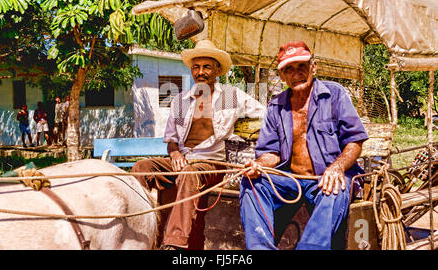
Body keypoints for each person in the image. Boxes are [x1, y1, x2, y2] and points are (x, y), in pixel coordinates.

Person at [132, 39, 266, 250]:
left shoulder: (230, 97)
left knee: (189, 174)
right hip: (184, 162)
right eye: (196, 67)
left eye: (207, 67)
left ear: (218, 70)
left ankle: (173, 244)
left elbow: (267, 116)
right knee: (142, 168)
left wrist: (250, 142)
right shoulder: (181, 100)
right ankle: (138, 229)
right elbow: (171, 140)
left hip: (214, 164)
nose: (200, 72)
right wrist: (175, 154)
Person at [239, 41, 369, 250]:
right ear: (281, 75)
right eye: (288, 69)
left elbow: (355, 141)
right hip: (292, 180)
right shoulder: (276, 106)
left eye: (301, 66)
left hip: (327, 177)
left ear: (313, 67)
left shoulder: (335, 94)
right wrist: (258, 166)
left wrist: (336, 167)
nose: (296, 73)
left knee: (335, 187)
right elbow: (270, 153)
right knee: (251, 183)